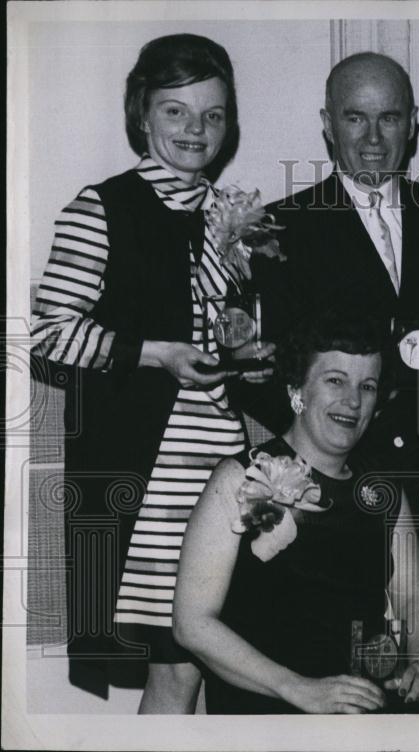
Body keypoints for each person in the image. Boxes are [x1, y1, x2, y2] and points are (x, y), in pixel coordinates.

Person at [30, 34, 273, 711]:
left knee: (189, 663)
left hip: (222, 464)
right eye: (175, 111)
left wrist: (248, 353)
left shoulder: (235, 217)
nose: (197, 130)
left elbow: (232, 337)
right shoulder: (101, 208)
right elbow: (46, 337)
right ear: (141, 114)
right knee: (177, 660)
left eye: (213, 114)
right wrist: (156, 353)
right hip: (148, 475)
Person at [241, 51, 419, 513]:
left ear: (412, 123)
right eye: (355, 118)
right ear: (328, 124)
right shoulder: (280, 228)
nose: (374, 138)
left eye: (389, 118)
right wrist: (322, 438)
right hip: (332, 481)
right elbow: (259, 373)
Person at [173, 314, 419, 714]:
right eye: (335, 380)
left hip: (364, 700)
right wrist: (298, 689)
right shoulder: (238, 477)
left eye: (367, 386)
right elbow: (192, 624)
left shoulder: (385, 489)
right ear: (296, 389)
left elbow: (413, 597)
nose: (353, 401)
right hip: (270, 706)